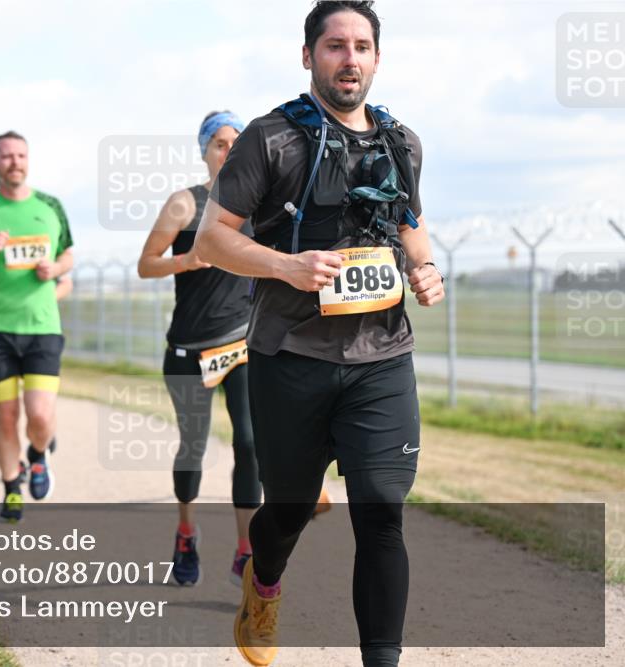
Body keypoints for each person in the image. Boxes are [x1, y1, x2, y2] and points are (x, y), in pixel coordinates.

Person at [192, 3, 445, 666]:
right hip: (291, 359)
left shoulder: (402, 142)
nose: (350, 58)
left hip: (383, 360)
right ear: (309, 56)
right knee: (290, 508)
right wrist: (286, 265)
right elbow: (212, 238)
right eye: (335, 45)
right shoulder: (269, 138)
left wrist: (423, 264)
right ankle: (264, 581)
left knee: (382, 512)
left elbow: (410, 221)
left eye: (362, 46)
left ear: (377, 59)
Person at [137, 110, 263, 587]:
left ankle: (246, 551)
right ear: (205, 151)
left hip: (243, 344)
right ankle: (186, 533)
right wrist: (187, 260)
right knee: (194, 446)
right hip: (190, 348)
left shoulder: (259, 204)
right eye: (219, 144)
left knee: (249, 444)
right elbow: (146, 265)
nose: (229, 151)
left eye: (237, 142)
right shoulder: (183, 204)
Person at [0, 130, 74, 523]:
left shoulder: (50, 206)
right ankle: (11, 488)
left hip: (41, 328)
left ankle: (38, 455)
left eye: (21, 155)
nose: (15, 162)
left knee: (39, 416)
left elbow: (68, 254)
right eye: (6, 157)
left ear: (28, 160)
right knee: (5, 417)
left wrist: (55, 268)